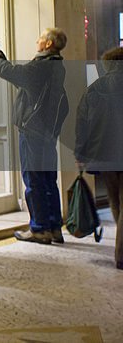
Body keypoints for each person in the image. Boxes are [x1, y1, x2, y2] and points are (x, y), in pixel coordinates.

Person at [0, 29, 69, 245]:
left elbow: (6, 70)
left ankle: (39, 229)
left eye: (41, 38)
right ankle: (54, 227)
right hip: (48, 133)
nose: (37, 40)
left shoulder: (40, 66)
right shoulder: (56, 66)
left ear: (48, 43)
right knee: (48, 179)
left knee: (33, 180)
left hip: (32, 131)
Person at [74, 47, 123, 269]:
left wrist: (80, 152)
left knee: (115, 200)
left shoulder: (94, 89)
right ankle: (121, 254)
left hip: (104, 154)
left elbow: (82, 125)